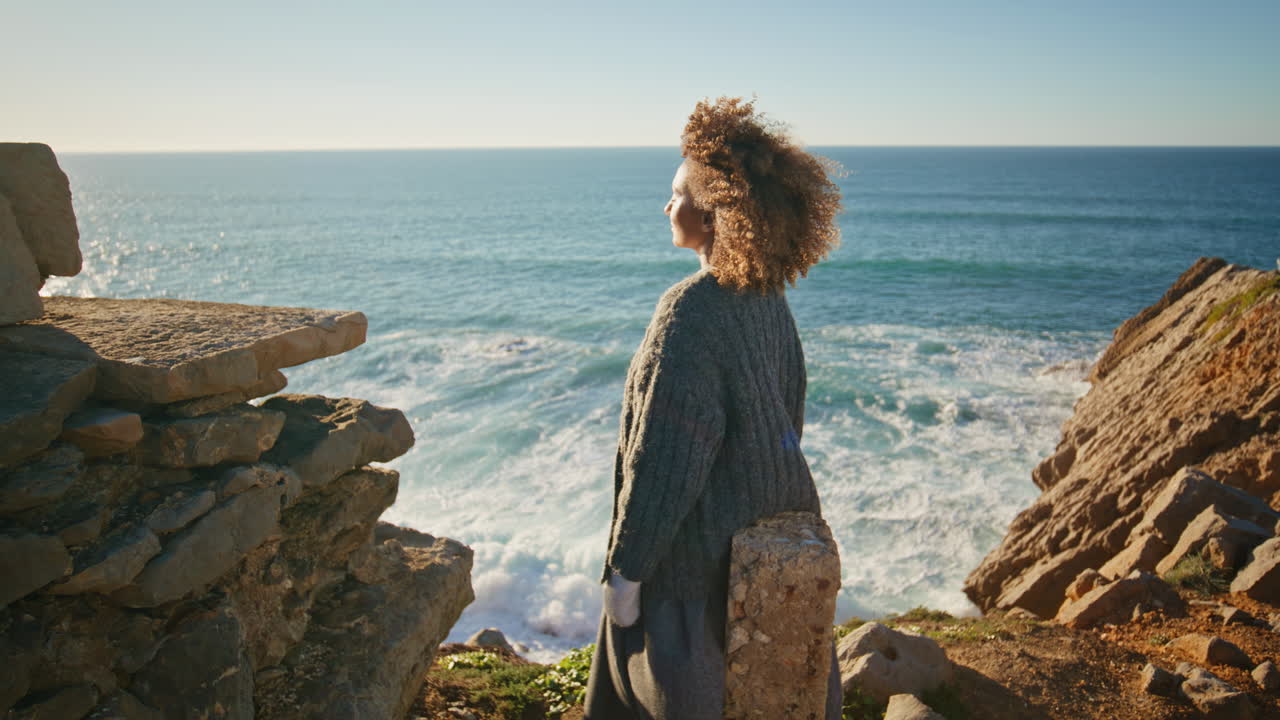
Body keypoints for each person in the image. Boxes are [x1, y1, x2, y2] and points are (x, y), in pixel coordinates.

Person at [584, 97, 844, 720]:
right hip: (763, 558)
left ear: (712, 212)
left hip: (693, 579)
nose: (666, 205)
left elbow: (665, 463)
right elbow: (790, 419)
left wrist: (626, 575)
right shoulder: (767, 296)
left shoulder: (690, 310)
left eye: (676, 194)